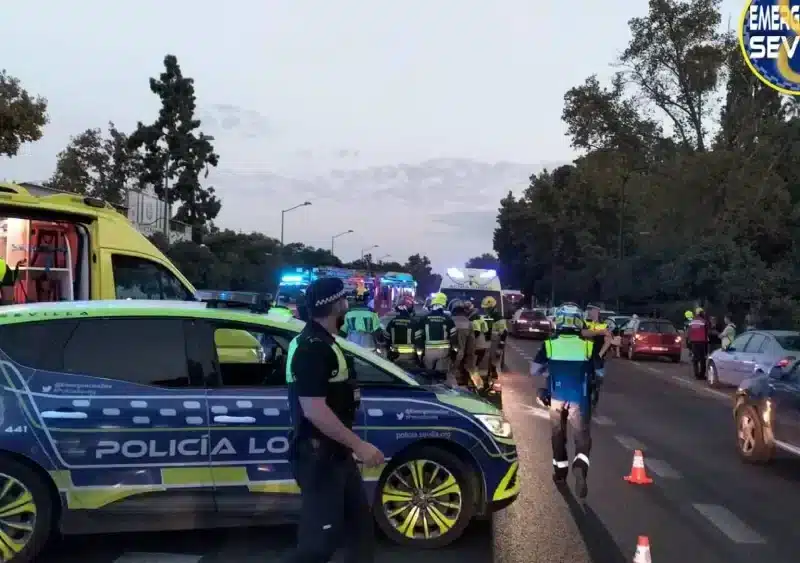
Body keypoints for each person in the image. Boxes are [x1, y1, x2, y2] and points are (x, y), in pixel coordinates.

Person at [284, 277, 384, 563]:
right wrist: (360, 445)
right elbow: (314, 409)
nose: (347, 305)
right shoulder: (312, 348)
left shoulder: (321, 342)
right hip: (320, 457)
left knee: (360, 534)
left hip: (336, 455)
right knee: (318, 546)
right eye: (344, 300)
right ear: (336, 305)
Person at [529, 308, 598, 498]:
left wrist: (550, 372)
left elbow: (534, 370)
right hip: (580, 399)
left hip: (556, 397)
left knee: (558, 436)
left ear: (558, 322)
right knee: (582, 437)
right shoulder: (588, 346)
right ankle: (580, 467)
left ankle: (560, 474)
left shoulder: (549, 345)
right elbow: (600, 373)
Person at [414, 292, 455, 372]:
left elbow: (418, 336)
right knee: (442, 375)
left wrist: (419, 353)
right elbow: (454, 336)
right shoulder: (448, 319)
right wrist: (454, 352)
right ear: (444, 303)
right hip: (444, 352)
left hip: (429, 352)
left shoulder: (424, 318)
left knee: (428, 375)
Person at [448, 299, 481, 389]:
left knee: (450, 377)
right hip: (463, 355)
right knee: (472, 369)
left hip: (449, 356)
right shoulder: (469, 323)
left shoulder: (448, 321)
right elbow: (471, 346)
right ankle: (480, 387)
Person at [582, 304, 611, 387]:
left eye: (591, 309)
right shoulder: (585, 322)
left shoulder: (604, 325)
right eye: (588, 309)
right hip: (585, 353)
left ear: (597, 311)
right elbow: (583, 333)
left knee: (599, 375)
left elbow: (608, 340)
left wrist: (601, 354)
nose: (589, 311)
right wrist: (601, 332)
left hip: (597, 353)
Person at [385, 294, 418, 368]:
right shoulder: (414, 322)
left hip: (394, 354)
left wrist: (388, 351)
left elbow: (386, 337)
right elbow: (419, 340)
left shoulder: (392, 322)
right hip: (409, 355)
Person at [481, 296, 508, 384]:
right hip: (489, 343)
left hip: (495, 343)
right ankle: (489, 378)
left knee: (494, 363)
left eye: (486, 308)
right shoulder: (488, 316)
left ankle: (493, 382)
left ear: (491, 308)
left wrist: (500, 348)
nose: (485, 310)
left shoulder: (498, 318)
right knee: (488, 363)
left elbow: (504, 333)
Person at [687, 308, 711, 379]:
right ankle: (702, 375)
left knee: (695, 359)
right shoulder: (704, 321)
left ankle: (696, 374)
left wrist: (689, 342)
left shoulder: (692, 322)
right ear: (702, 314)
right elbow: (707, 331)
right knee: (702, 359)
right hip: (702, 342)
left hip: (694, 342)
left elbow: (689, 332)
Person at [469, 300, 490, 370]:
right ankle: (476, 366)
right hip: (481, 342)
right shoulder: (481, 318)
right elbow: (486, 330)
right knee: (480, 353)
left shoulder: (472, 319)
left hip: (474, 341)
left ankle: (473, 367)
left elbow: (476, 332)